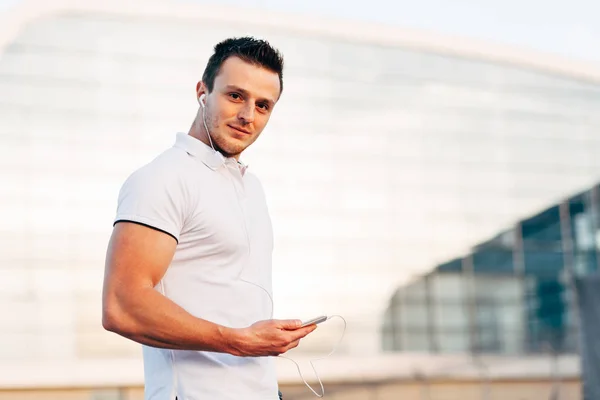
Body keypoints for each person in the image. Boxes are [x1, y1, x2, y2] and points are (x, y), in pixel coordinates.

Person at [101, 36, 317, 400]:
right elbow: (122, 305)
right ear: (202, 91)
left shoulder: (252, 188)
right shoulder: (162, 178)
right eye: (235, 96)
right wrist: (238, 342)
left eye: (263, 105)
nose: (248, 115)